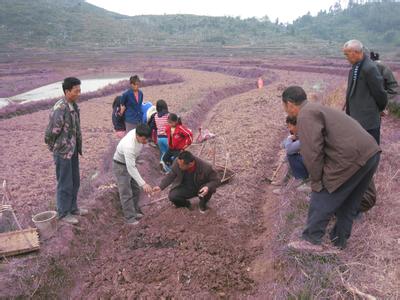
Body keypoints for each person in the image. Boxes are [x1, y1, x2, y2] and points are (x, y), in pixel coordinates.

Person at [282, 86, 381, 252]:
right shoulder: (316, 108)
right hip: (370, 152)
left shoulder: (304, 115)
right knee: (349, 204)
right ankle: (338, 242)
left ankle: (311, 240)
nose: (285, 110)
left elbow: (313, 152)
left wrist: (316, 181)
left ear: (290, 104)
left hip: (352, 157)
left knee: (324, 190)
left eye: (284, 106)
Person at [343, 40, 388, 213]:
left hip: (368, 122)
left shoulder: (369, 68)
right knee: (357, 156)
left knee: (368, 156)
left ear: (356, 52)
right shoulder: (355, 67)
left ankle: (365, 194)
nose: (346, 57)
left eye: (347, 54)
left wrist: (379, 108)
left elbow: (380, 93)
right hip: (355, 120)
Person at [45, 77, 87, 225]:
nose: (79, 93)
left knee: (75, 180)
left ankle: (73, 207)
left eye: (80, 90)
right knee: (65, 182)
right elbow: (50, 133)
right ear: (67, 91)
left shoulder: (74, 106)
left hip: (73, 150)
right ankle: (63, 213)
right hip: (63, 152)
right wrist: (56, 148)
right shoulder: (60, 108)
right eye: (76, 91)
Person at [152, 151, 220, 213]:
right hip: (186, 187)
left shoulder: (206, 167)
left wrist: (207, 187)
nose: (178, 166)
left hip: (201, 188)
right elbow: (171, 175)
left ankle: (203, 204)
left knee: (210, 189)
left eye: (181, 165)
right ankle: (187, 204)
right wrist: (160, 187)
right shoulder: (178, 162)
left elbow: (217, 180)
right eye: (178, 163)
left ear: (190, 164)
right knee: (173, 196)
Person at [112, 124, 153, 225]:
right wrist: (143, 183)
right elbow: (130, 168)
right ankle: (129, 218)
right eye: (144, 139)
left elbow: (132, 165)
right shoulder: (129, 146)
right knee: (126, 192)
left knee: (135, 189)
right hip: (121, 166)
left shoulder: (138, 133)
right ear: (138, 135)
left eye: (146, 139)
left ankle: (134, 211)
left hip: (130, 163)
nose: (145, 142)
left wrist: (140, 184)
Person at [273, 116, 310, 195]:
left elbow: (289, 149)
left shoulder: (305, 135)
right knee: (291, 156)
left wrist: (289, 139)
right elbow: (282, 145)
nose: (289, 129)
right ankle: (284, 182)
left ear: (297, 125)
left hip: (315, 166)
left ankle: (303, 183)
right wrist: (290, 138)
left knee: (292, 156)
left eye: (290, 126)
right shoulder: (298, 132)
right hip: (311, 162)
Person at [149, 99, 170, 171]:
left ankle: (162, 164)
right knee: (169, 153)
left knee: (163, 152)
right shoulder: (168, 115)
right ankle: (169, 170)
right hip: (167, 138)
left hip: (159, 138)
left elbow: (152, 127)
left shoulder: (155, 116)